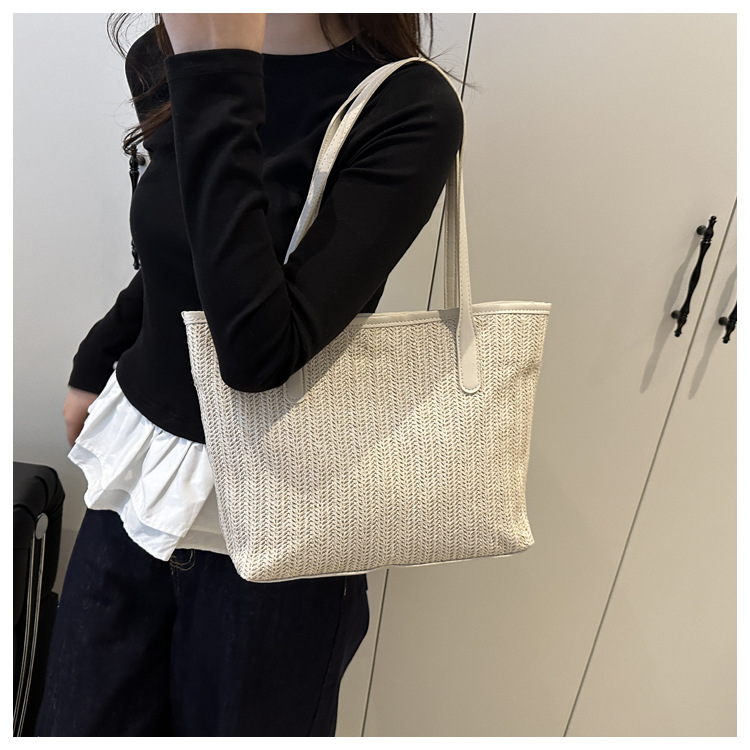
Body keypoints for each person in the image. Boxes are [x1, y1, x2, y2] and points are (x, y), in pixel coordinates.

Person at [34, 12, 464, 737]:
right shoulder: (162, 52)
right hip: (138, 483)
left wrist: (219, 77)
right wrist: (97, 359)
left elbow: (258, 355)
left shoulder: (406, 104)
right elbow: (181, 253)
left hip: (284, 515)